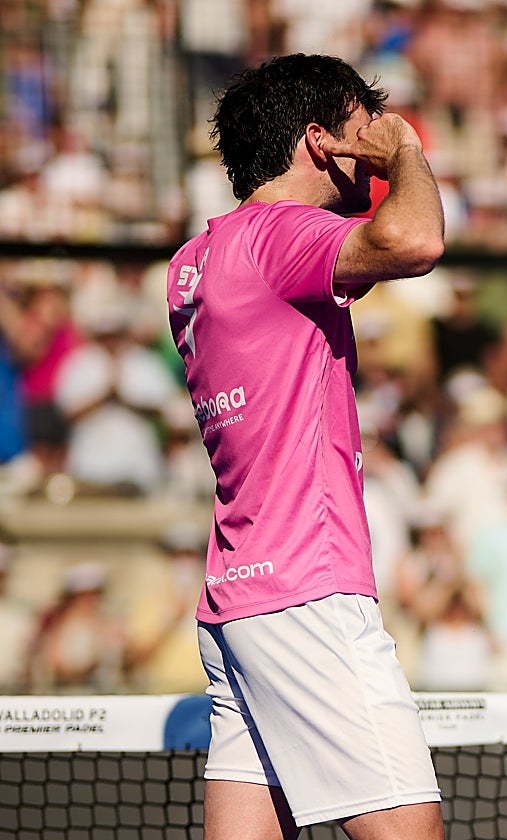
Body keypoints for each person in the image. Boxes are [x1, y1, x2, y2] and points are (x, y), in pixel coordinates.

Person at [165, 54, 445, 840]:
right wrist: (411, 153)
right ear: (322, 143)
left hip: (236, 600)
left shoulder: (194, 260)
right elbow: (417, 240)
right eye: (367, 129)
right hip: (307, 590)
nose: (379, 146)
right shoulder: (283, 234)